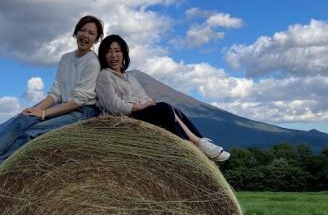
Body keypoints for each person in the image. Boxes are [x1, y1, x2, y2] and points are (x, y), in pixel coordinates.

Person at [0, 15, 104, 191]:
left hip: (82, 112)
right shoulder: (66, 58)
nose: (85, 35)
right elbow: (56, 93)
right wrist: (34, 110)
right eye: (82, 30)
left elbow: (79, 100)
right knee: (23, 118)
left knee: (31, 132)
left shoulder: (92, 62)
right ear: (76, 32)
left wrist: (43, 114)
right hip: (63, 107)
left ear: (96, 39)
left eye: (91, 33)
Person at [95, 34, 229, 162]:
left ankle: (199, 142)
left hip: (139, 113)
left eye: (117, 51)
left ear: (123, 53)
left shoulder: (130, 77)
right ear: (103, 55)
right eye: (109, 52)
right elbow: (112, 104)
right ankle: (197, 143)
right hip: (123, 117)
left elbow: (143, 97)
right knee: (164, 108)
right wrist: (139, 106)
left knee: (173, 110)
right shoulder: (105, 75)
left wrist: (149, 104)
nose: (113, 56)